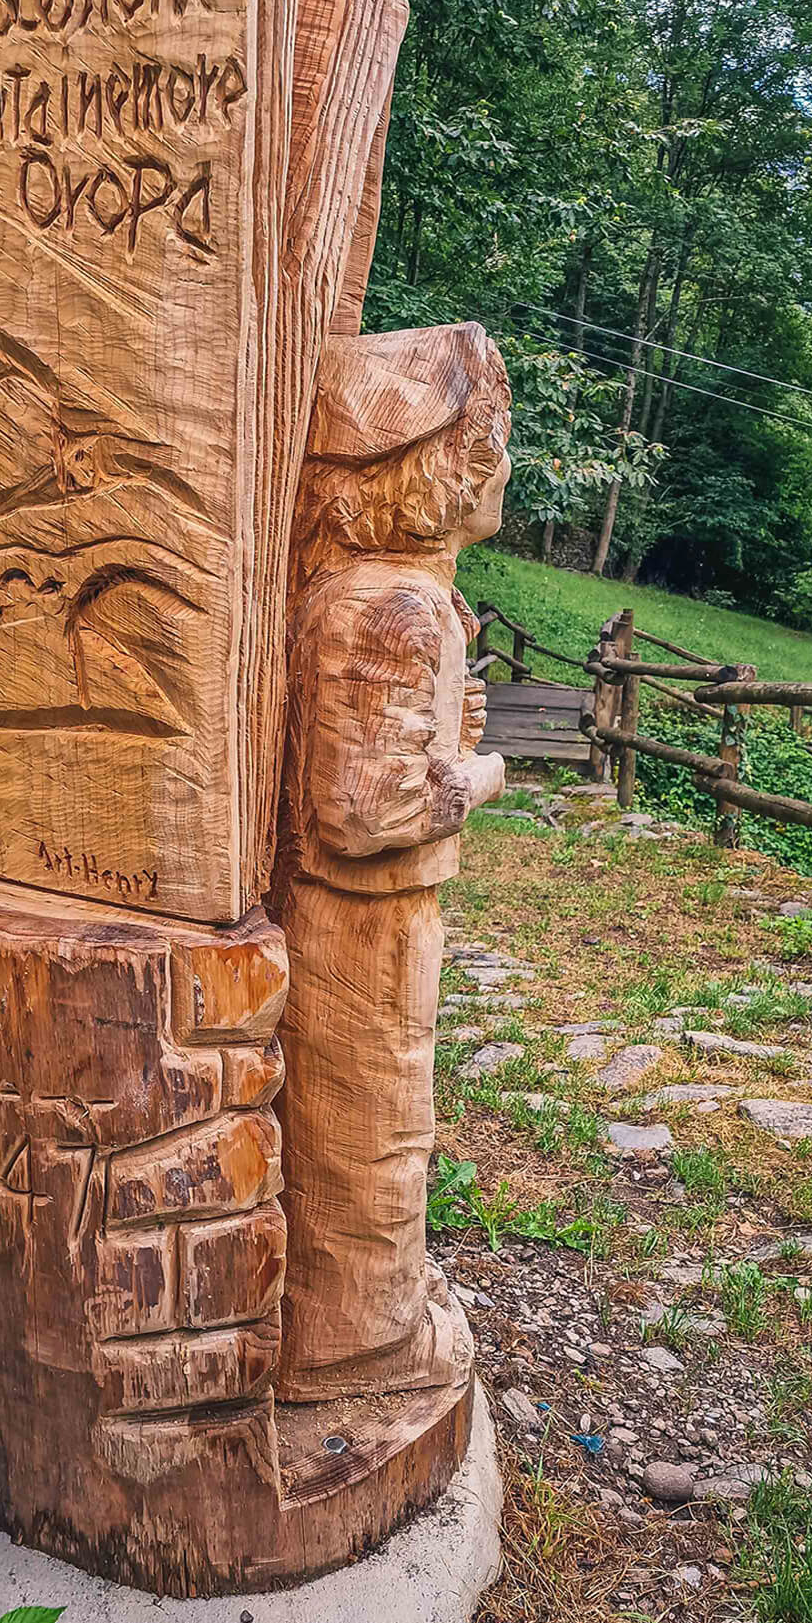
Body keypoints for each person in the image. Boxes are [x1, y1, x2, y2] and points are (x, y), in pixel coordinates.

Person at [273, 321, 511, 1399]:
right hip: (361, 921)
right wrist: (482, 770)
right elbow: (370, 806)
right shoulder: (397, 609)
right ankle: (356, 1342)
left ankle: (365, 1318)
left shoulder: (382, 595)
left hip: (372, 916)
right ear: (438, 471)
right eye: (491, 441)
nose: (502, 465)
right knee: (368, 1128)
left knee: (379, 1120)